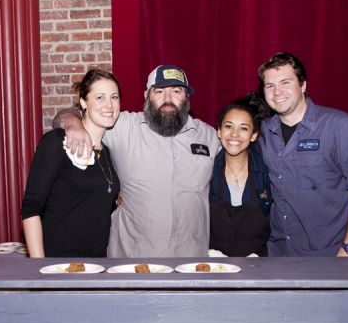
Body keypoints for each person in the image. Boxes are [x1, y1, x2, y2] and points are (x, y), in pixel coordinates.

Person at [55, 65, 220, 257]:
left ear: (187, 97)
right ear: (146, 96)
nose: (168, 99)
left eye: (176, 91)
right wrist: (75, 126)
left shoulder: (208, 136)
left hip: (191, 264)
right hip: (131, 265)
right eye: (159, 91)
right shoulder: (122, 127)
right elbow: (64, 117)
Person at [257, 52, 348, 257]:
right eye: (269, 85)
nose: (277, 91)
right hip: (280, 255)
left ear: (303, 85)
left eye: (285, 82)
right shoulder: (262, 133)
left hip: (333, 256)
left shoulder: (340, 127)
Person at [21, 69, 121, 257]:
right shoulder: (57, 141)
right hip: (58, 266)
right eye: (100, 97)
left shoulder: (107, 153)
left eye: (114, 97)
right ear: (83, 102)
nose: (109, 104)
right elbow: (31, 207)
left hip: (98, 267)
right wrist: (38, 267)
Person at [209, 95, 272, 256]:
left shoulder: (267, 170)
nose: (235, 134)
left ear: (253, 135)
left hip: (259, 266)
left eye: (243, 128)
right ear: (219, 131)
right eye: (228, 126)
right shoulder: (206, 169)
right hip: (214, 266)